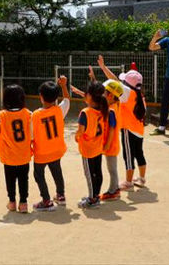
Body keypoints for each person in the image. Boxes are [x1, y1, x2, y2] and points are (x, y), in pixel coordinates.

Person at [97, 55, 147, 190]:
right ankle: (141, 179)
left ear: (128, 83)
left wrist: (103, 67)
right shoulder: (140, 95)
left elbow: (113, 81)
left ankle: (129, 182)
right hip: (139, 130)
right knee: (139, 154)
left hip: (128, 129)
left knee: (128, 156)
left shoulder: (127, 92)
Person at [0, 85, 31, 213]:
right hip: (24, 154)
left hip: (9, 155)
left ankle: (12, 202)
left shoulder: (2, 115)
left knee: (10, 180)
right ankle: (23, 203)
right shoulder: (27, 113)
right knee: (23, 179)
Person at [31, 76, 70, 211]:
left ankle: (46, 200)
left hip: (42, 152)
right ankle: (60, 195)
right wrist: (64, 85)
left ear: (41, 97)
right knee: (56, 171)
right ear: (55, 97)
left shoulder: (35, 115)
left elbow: (31, 135)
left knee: (38, 175)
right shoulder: (59, 110)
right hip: (57, 149)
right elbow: (67, 100)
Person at [75, 81, 108, 209]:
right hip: (98, 147)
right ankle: (96, 195)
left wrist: (76, 136)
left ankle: (92, 199)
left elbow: (81, 131)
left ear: (89, 96)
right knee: (97, 172)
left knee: (89, 174)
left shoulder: (86, 112)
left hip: (88, 149)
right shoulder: (103, 109)